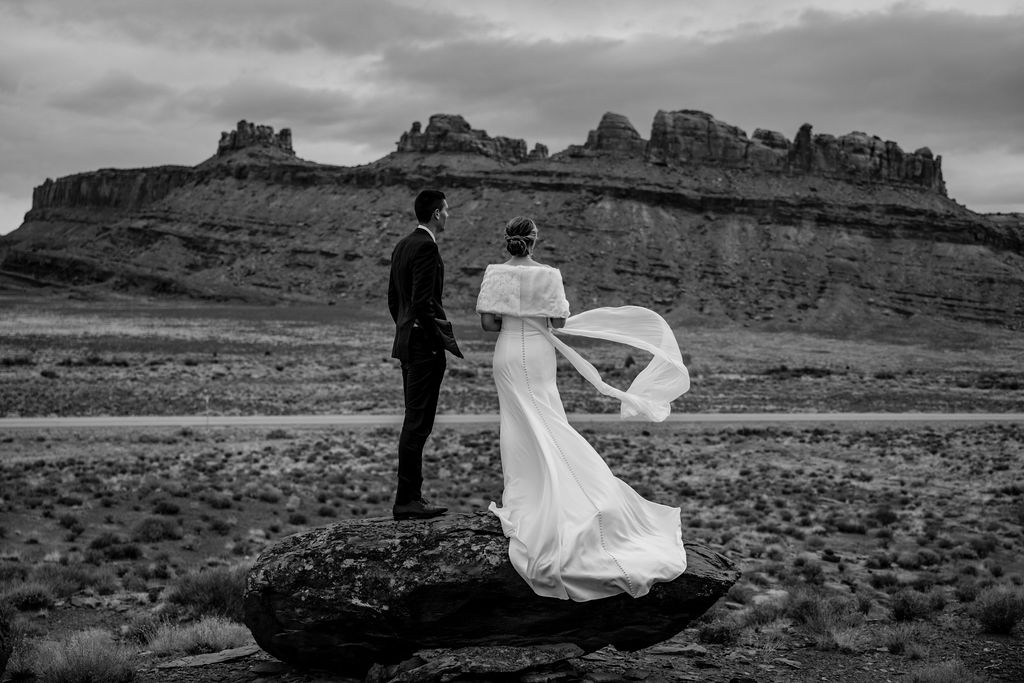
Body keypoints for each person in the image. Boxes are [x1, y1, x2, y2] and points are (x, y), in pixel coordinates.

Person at [476, 216, 691, 601]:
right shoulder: (549, 275)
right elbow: (558, 320)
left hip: (507, 352)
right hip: (539, 354)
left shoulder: (495, 273)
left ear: (508, 241)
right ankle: (575, 495)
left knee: (516, 426)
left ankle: (525, 497)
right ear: (535, 240)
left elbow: (489, 323)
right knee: (549, 421)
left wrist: (514, 314)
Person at [388, 189, 462, 521]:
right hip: (424, 347)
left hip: (407, 343)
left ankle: (410, 496)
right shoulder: (427, 247)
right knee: (418, 423)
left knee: (414, 420)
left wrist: (406, 328)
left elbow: (394, 299)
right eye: (445, 210)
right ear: (435, 214)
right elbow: (422, 301)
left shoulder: (403, 245)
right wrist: (434, 338)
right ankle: (408, 500)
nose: (448, 215)